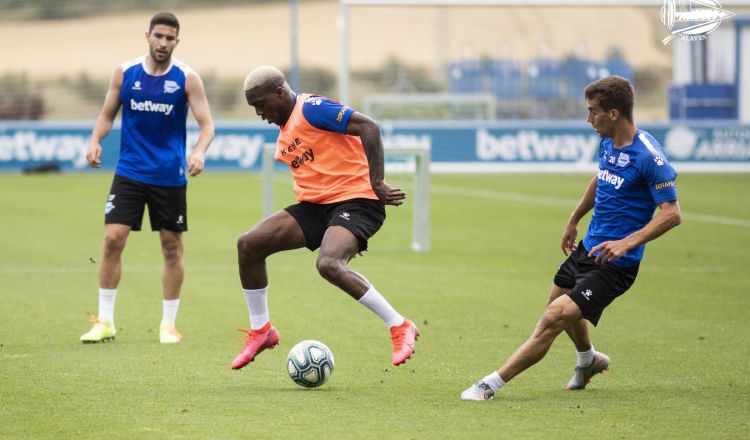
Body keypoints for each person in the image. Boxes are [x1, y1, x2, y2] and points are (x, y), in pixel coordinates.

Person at [461, 76, 682, 400]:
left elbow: (672, 213)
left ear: (614, 114)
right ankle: (588, 360)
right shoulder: (608, 143)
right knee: (559, 307)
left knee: (554, 317)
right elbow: (601, 180)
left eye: (593, 112)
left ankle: (489, 385)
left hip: (615, 264)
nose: (588, 119)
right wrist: (574, 218)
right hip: (587, 249)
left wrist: (626, 243)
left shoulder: (649, 156)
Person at [230, 65, 419, 369]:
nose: (259, 113)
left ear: (279, 93)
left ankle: (399, 324)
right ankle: (261, 331)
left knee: (328, 263)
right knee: (249, 245)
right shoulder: (285, 127)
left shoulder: (312, 109)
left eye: (261, 105)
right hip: (318, 207)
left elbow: (369, 127)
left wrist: (378, 182)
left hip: (357, 200)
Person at [80, 12, 215, 345]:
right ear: (148, 36)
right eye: (158, 36)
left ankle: (168, 324)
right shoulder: (126, 73)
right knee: (113, 239)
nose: (163, 43)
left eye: (170, 38)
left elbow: (207, 125)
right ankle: (105, 322)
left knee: (171, 248)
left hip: (169, 176)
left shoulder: (187, 78)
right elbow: (107, 114)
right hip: (129, 171)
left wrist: (198, 151)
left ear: (176, 42)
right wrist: (95, 140)